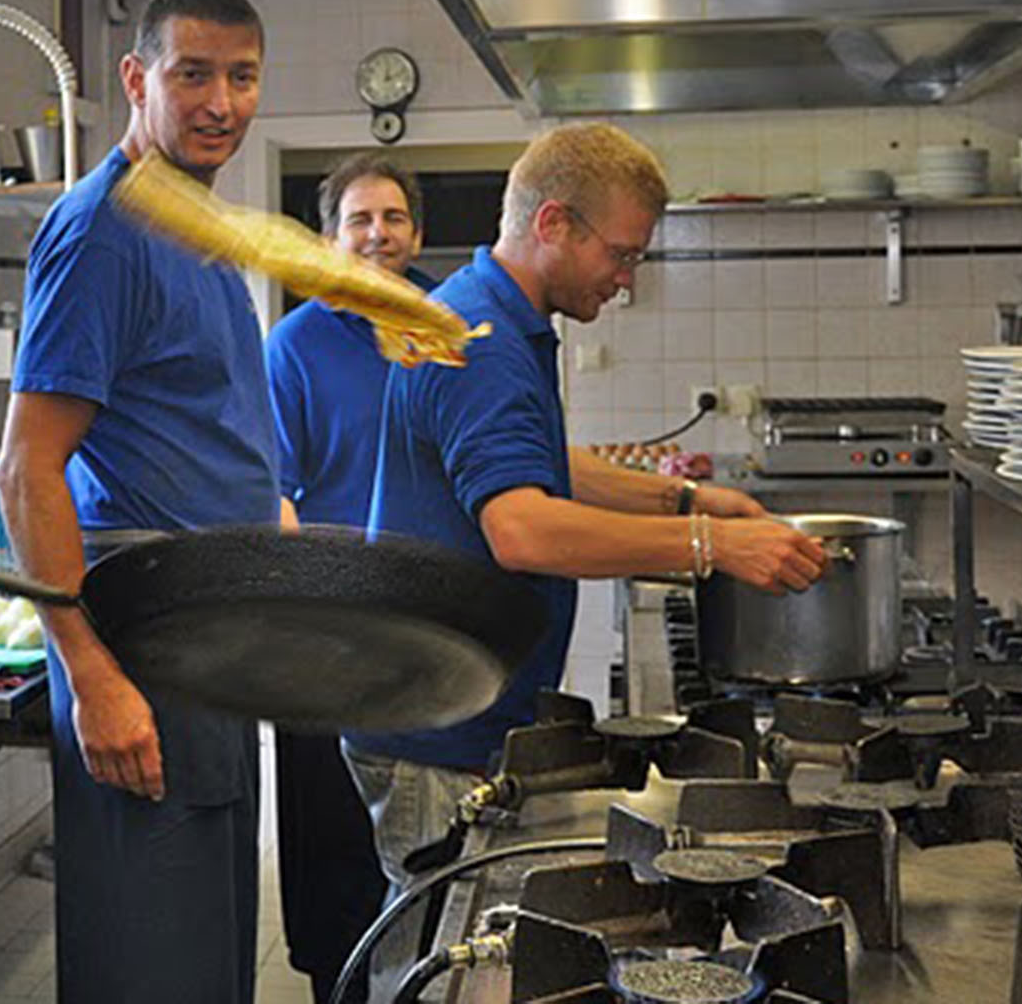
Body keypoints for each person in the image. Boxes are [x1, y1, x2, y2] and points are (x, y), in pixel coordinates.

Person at [347, 123, 827, 1001]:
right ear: (556, 223)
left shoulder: (497, 316)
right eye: (623, 253)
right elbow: (523, 529)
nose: (626, 278)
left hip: (451, 702)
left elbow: (539, 462)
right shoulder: (483, 340)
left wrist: (684, 499)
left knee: (439, 948)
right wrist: (712, 547)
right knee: (428, 960)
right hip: (436, 722)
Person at [0, 0, 279, 1004]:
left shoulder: (194, 225)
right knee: (152, 962)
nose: (219, 101)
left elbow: (206, 431)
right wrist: (94, 674)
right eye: (191, 73)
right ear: (136, 78)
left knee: (204, 956)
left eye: (241, 77)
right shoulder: (103, 230)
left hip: (213, 636)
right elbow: (25, 469)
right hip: (141, 643)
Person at [263, 152, 433, 1004]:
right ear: (329, 239)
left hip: (429, 627)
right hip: (325, 634)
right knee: (332, 841)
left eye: (392, 217)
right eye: (359, 219)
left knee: (427, 835)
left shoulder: (443, 331)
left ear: (417, 233)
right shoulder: (293, 347)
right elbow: (272, 497)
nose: (377, 234)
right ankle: (340, 983)